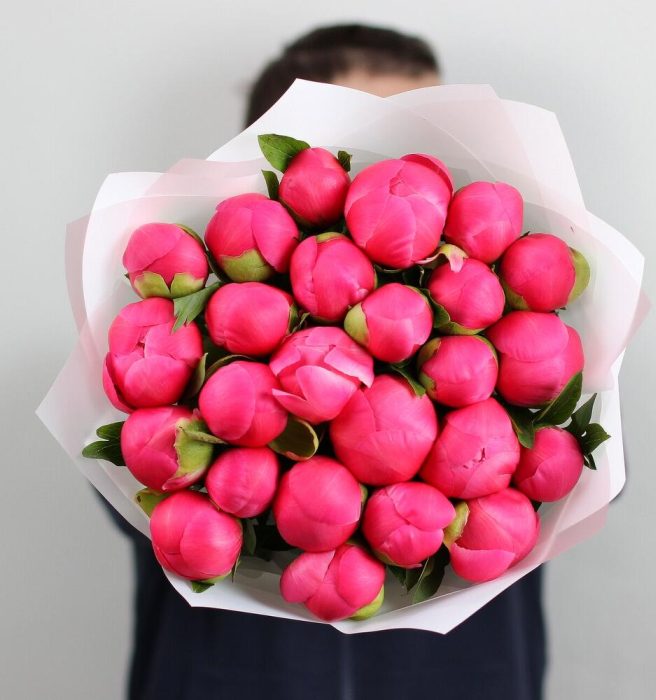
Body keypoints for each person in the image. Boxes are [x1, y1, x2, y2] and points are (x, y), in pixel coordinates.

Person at [113, 24, 546, 700]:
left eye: (427, 136)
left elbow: (588, 477)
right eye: (365, 140)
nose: (404, 175)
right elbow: (123, 497)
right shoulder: (155, 332)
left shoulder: (529, 319)